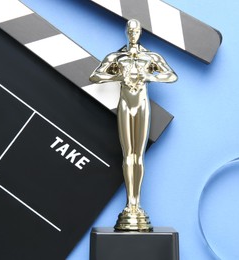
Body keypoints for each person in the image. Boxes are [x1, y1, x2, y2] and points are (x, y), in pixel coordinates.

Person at [89, 19, 177, 230]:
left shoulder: (150, 57)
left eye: (136, 30)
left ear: (140, 33)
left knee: (139, 155)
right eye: (130, 30)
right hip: (126, 106)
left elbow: (171, 76)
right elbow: (95, 76)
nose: (133, 34)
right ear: (126, 33)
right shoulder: (117, 57)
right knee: (128, 154)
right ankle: (130, 204)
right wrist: (121, 75)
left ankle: (136, 204)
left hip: (142, 106)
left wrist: (147, 75)